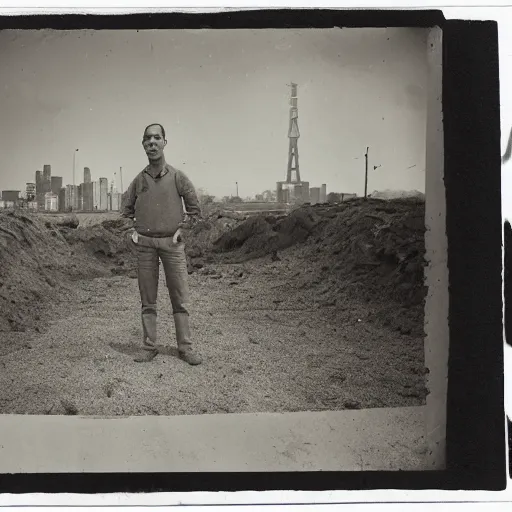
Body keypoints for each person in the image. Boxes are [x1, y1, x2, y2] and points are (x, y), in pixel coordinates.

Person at [121, 123, 202, 365]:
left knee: (180, 297)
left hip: (172, 245)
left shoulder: (178, 177)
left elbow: (195, 211)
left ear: (165, 142)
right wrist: (130, 233)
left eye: (157, 138)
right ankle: (149, 347)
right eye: (148, 139)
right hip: (145, 246)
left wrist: (182, 231)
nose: (152, 142)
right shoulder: (138, 180)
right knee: (148, 298)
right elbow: (125, 212)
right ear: (143, 145)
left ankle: (185, 348)